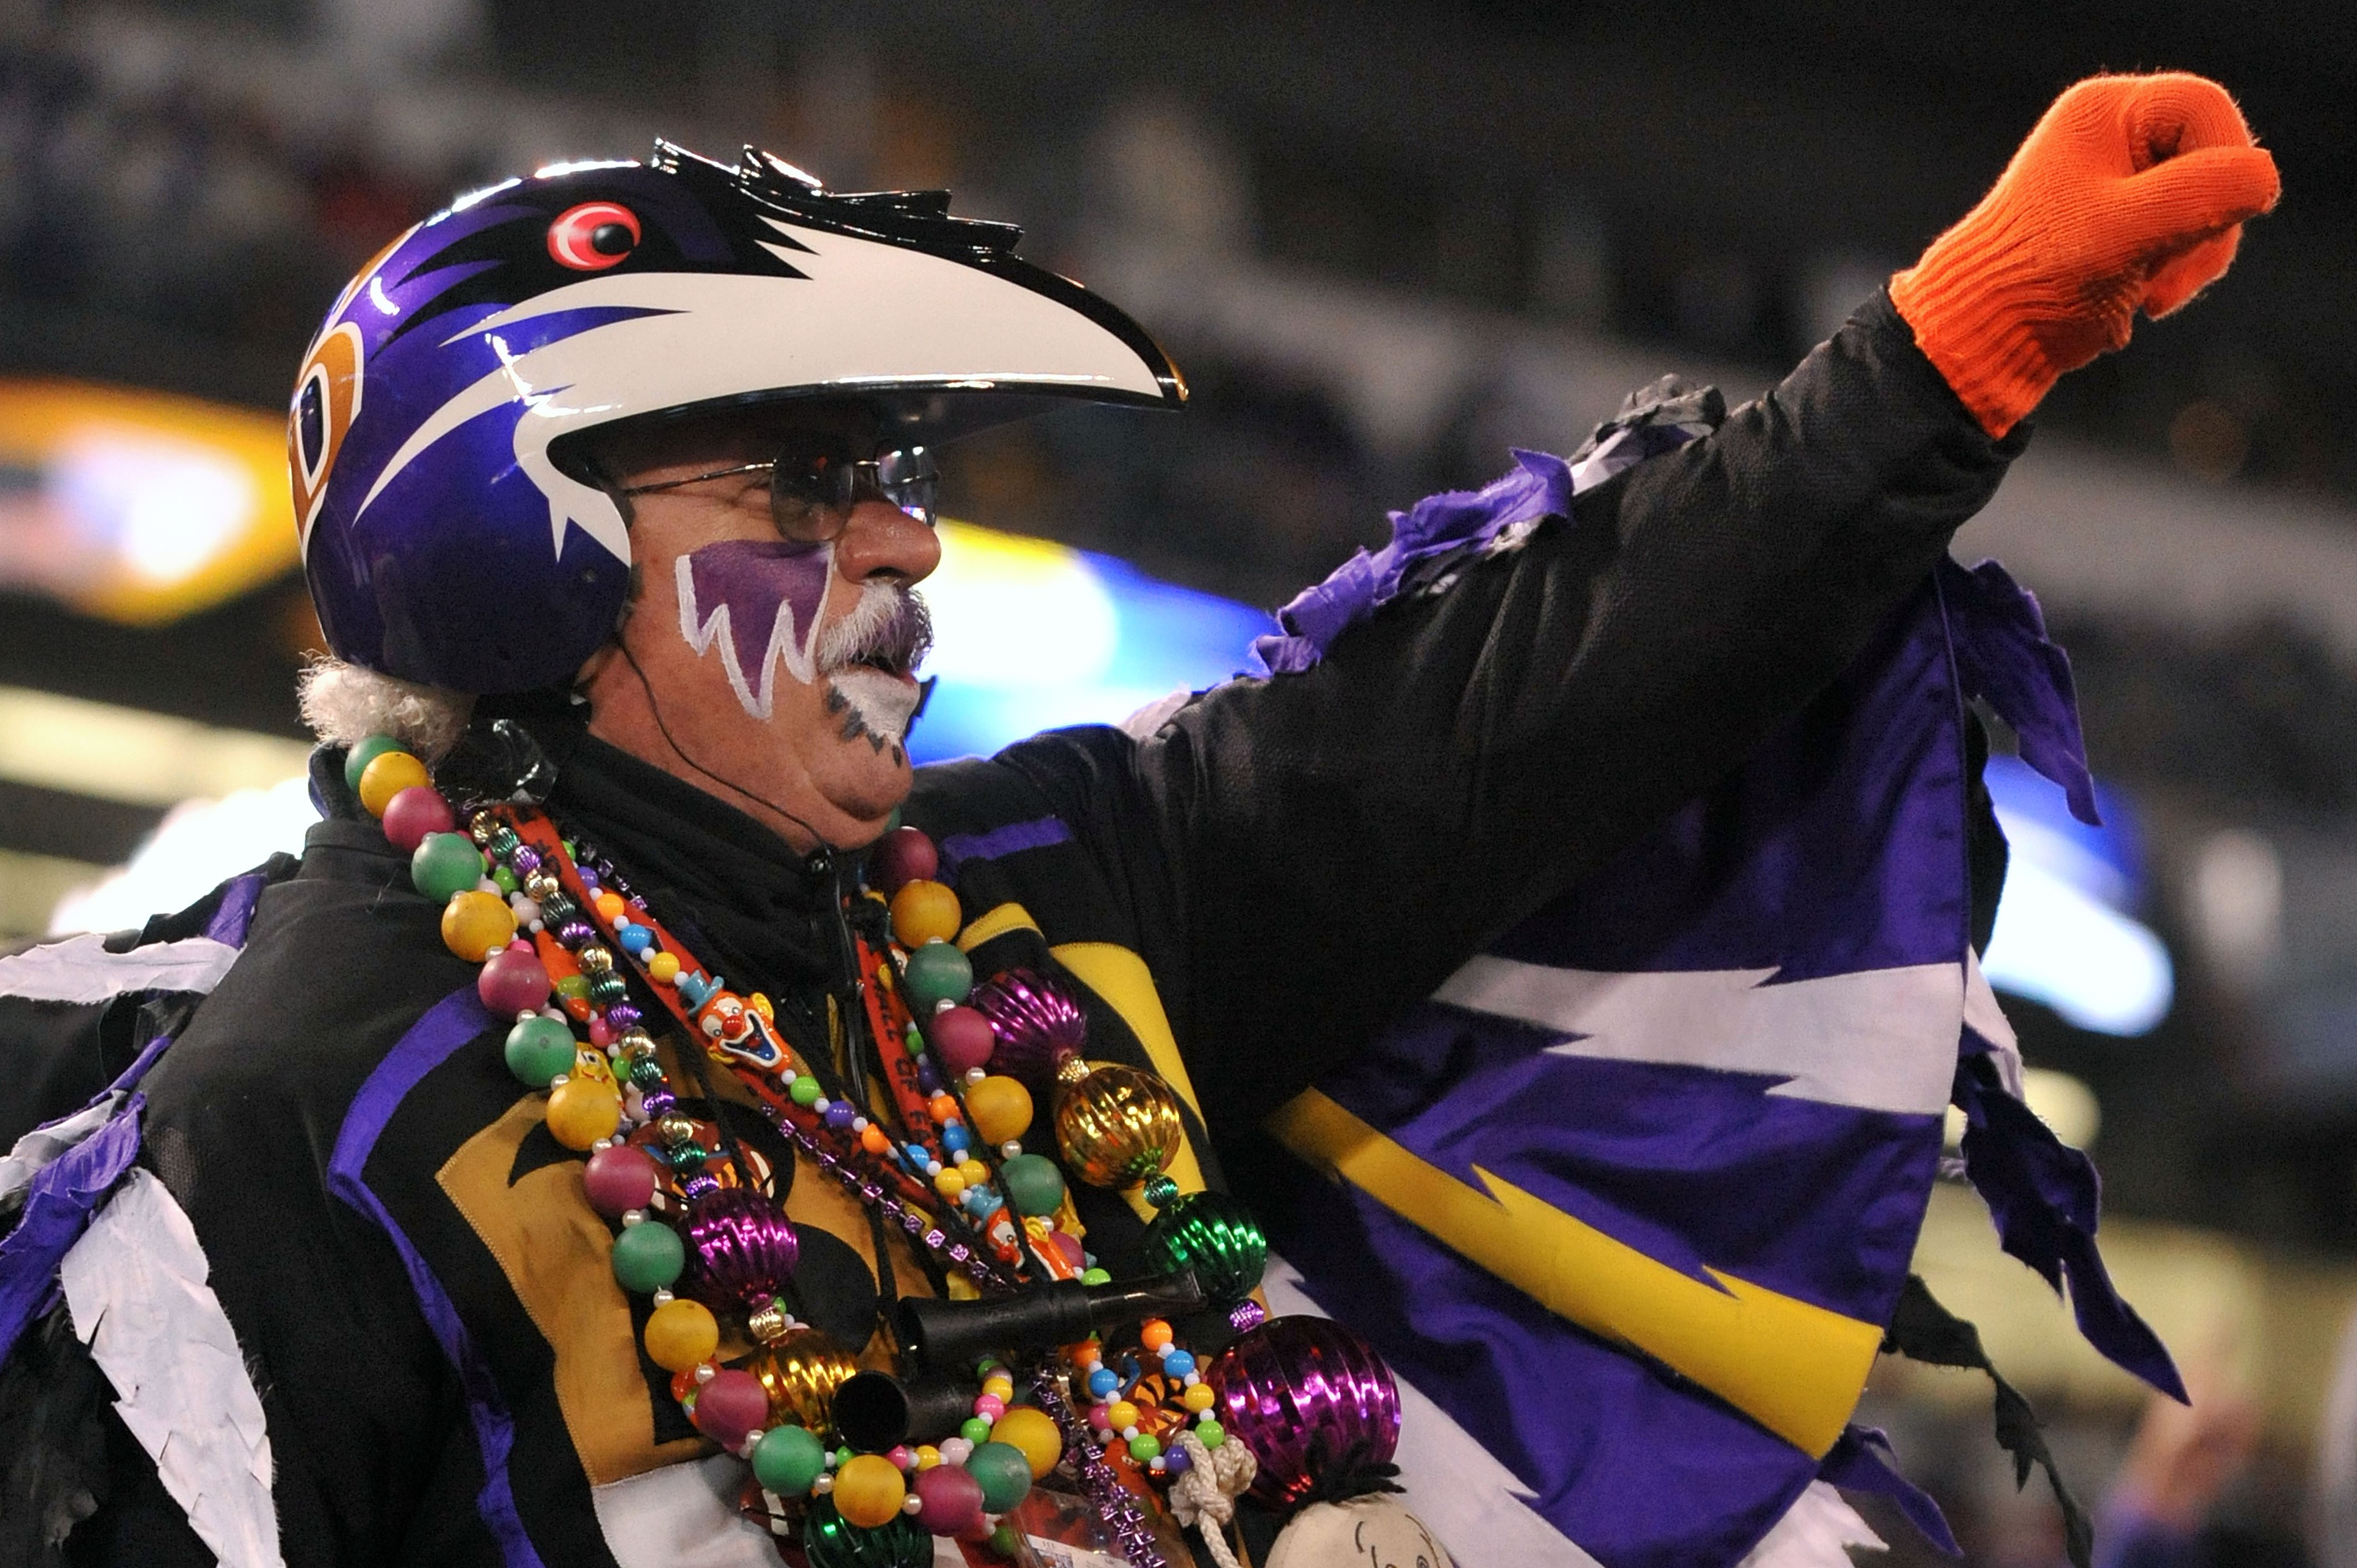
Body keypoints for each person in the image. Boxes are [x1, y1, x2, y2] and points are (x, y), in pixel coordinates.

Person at [0, 74, 2278, 1568]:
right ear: (528, 546)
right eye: (806, 487)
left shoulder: (1025, 894)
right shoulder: (299, 1136)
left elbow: (1489, 718)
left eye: (891, 481)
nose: (899, 550)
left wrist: (1948, 348)